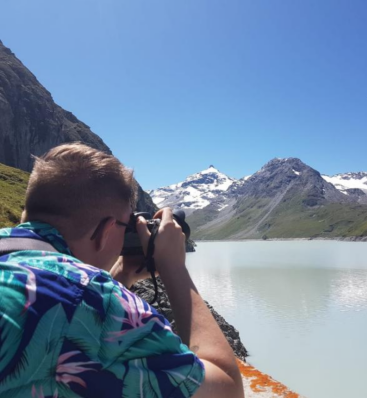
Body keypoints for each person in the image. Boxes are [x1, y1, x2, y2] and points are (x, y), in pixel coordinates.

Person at [0, 143, 244, 398]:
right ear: (106, 231)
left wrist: (122, 274)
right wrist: (174, 267)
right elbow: (226, 389)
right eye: (126, 225)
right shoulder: (93, 297)